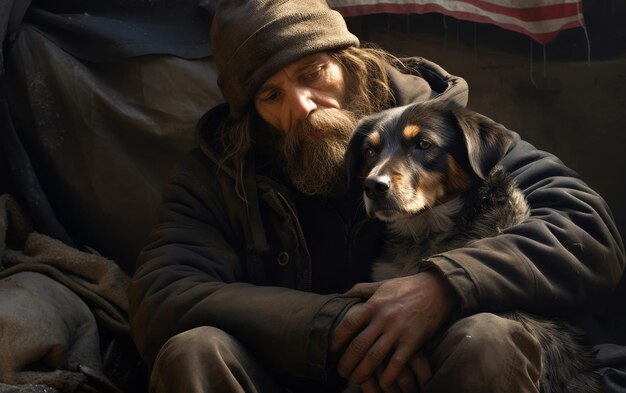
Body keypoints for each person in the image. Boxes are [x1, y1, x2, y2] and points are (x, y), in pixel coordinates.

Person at [127, 0, 625, 392]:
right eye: (270, 95)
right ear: (251, 115)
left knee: (490, 340)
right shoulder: (216, 176)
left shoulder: (436, 124)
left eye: (312, 73)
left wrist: (443, 286)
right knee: (194, 350)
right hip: (289, 378)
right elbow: (163, 296)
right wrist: (336, 327)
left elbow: (586, 226)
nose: (302, 107)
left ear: (352, 64)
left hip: (437, 372)